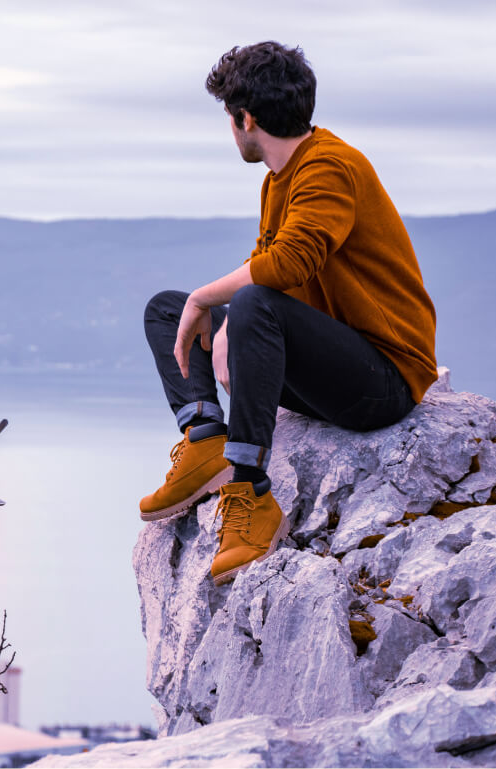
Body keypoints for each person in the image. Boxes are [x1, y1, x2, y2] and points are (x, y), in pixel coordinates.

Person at [140, 41, 437, 586]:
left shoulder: (331, 166)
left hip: (383, 382)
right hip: (325, 373)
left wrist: (217, 302)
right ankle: (206, 440)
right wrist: (221, 316)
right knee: (167, 310)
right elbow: (269, 266)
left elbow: (289, 262)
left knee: (239, 300)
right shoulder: (280, 179)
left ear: (244, 119)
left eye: (229, 120)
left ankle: (251, 491)